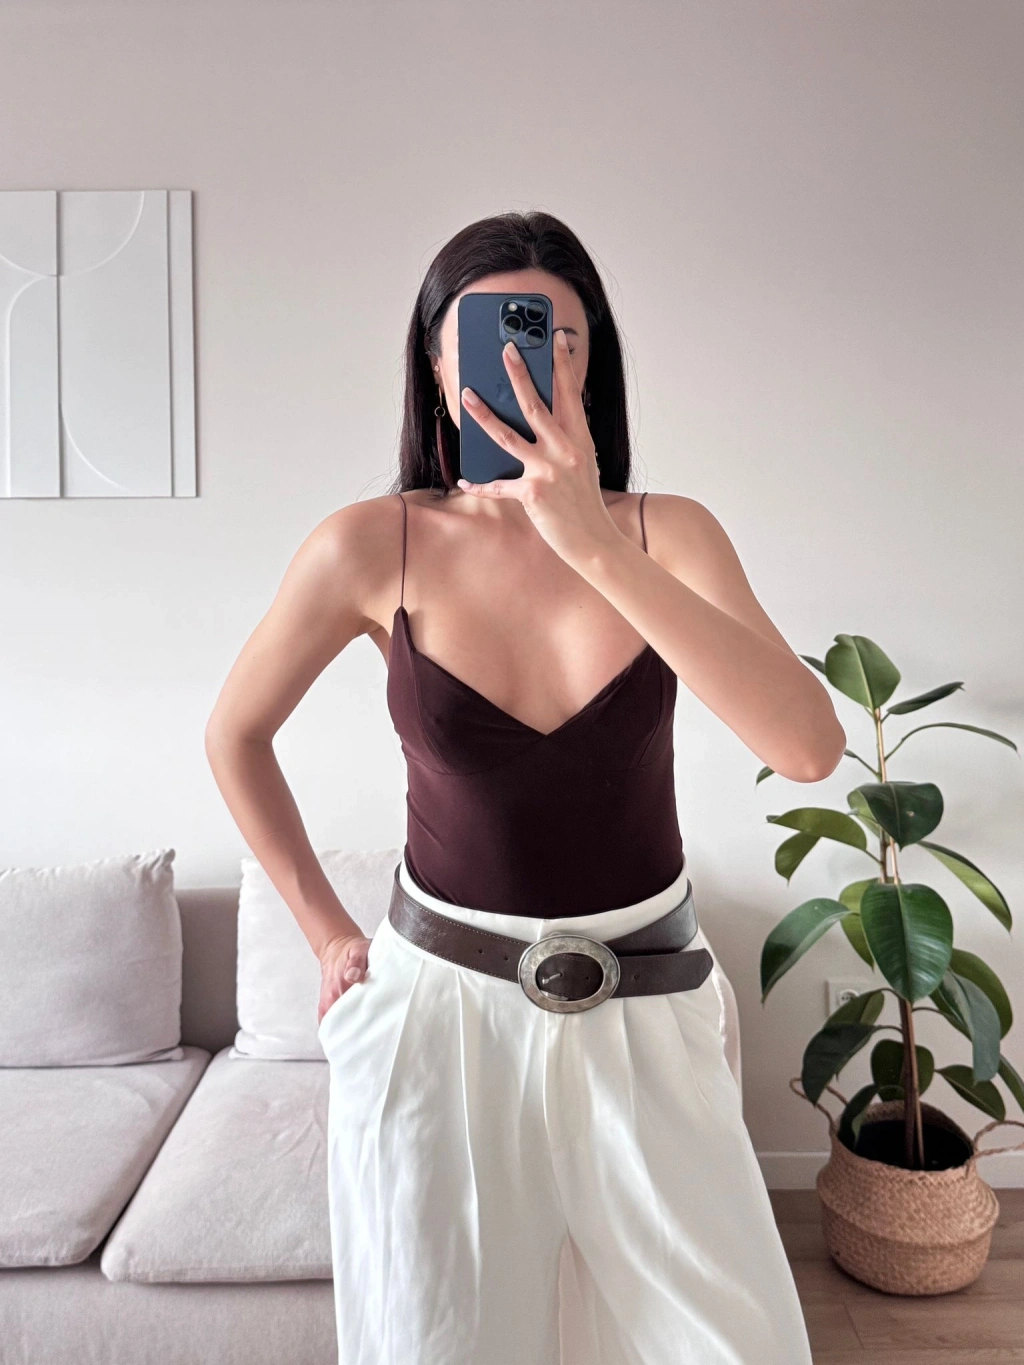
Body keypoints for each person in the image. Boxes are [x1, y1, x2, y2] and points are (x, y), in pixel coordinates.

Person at [205, 211, 845, 1365]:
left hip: (649, 1002)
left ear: (587, 365)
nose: (520, 361)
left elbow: (806, 747)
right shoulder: (369, 545)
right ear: (435, 365)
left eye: (552, 337)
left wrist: (590, 539)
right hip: (439, 1017)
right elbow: (234, 736)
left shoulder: (668, 534)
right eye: (487, 337)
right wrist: (326, 933)